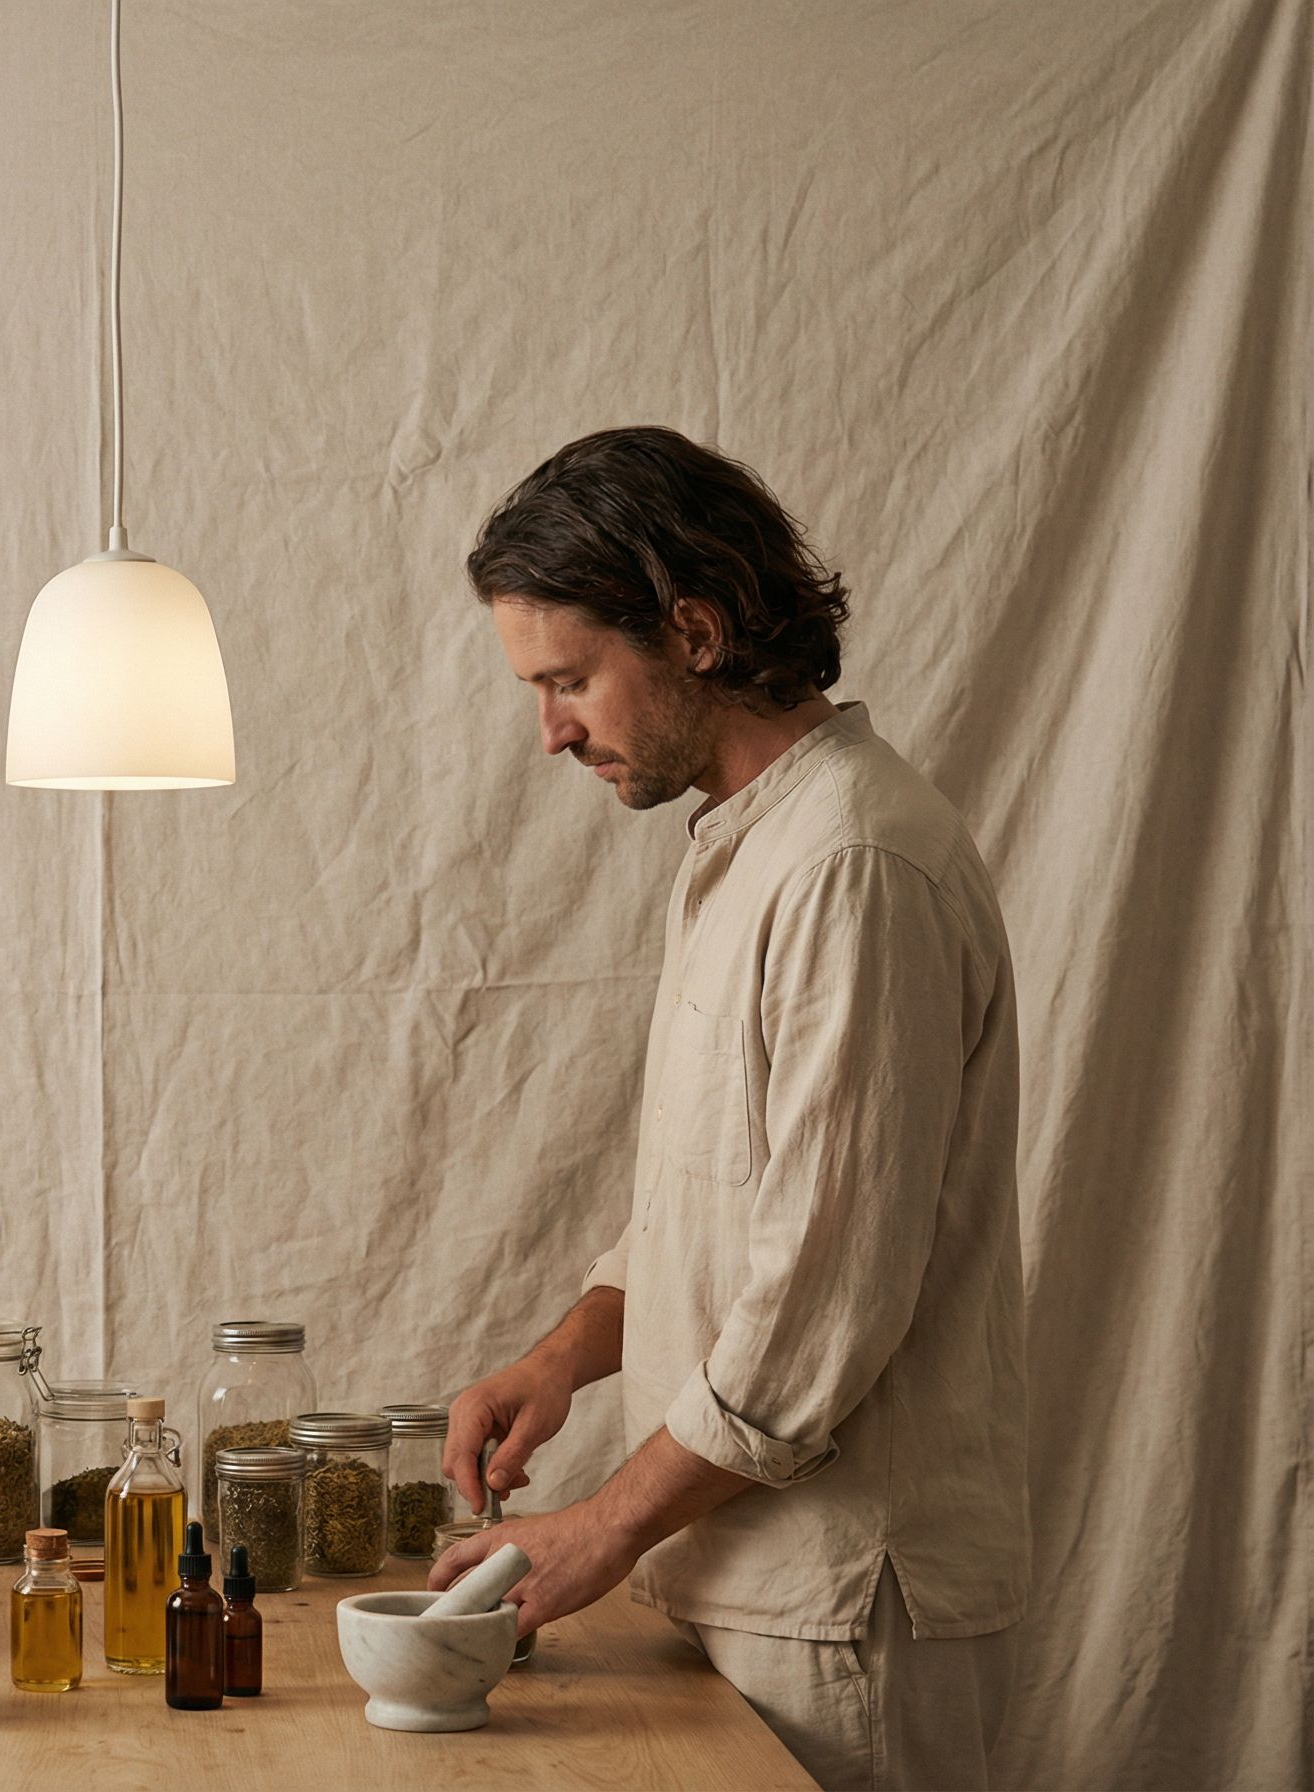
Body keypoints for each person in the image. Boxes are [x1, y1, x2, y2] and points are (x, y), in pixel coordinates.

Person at [432, 428, 1028, 1791]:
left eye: (571, 679)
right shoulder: (751, 849)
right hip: (738, 1577)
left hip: (842, 1612)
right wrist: (561, 1359)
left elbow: (820, 1304)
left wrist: (601, 1528)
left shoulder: (852, 866)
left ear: (693, 630)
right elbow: (722, 1207)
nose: (550, 731)